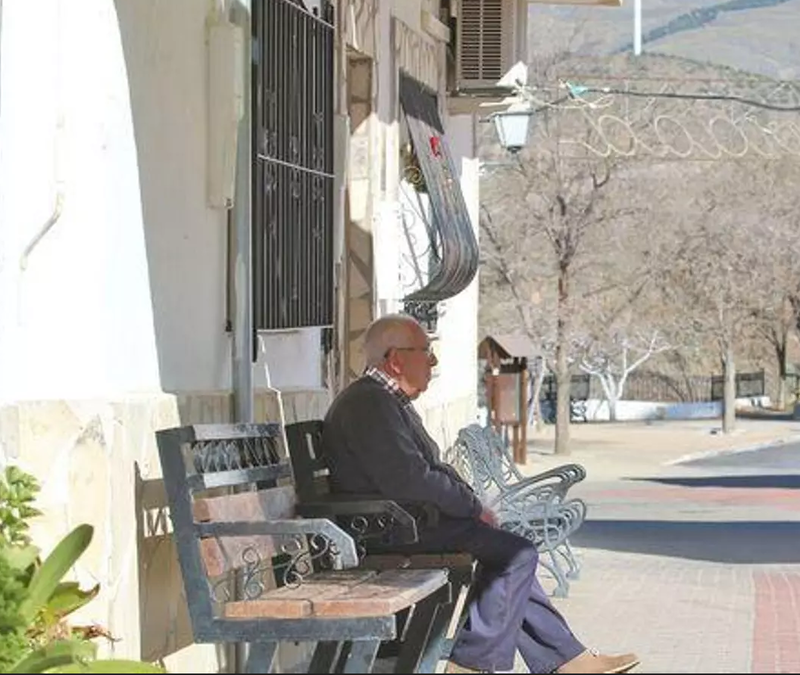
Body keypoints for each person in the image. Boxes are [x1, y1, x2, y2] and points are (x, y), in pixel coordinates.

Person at [321, 314, 640, 675]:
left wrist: (471, 504)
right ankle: (475, 663)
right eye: (426, 352)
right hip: (387, 530)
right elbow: (410, 478)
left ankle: (567, 660)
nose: (434, 361)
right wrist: (472, 507)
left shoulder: (385, 400)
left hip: (401, 522)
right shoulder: (369, 403)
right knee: (515, 554)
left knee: (512, 554)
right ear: (396, 360)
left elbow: (431, 469)